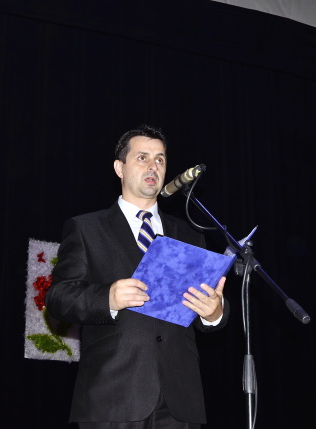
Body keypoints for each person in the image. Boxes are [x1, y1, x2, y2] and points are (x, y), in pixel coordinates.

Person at [45, 124, 229, 429]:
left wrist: (214, 313)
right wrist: (107, 298)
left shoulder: (190, 234)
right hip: (113, 396)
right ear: (120, 168)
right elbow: (59, 298)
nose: (153, 166)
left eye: (160, 159)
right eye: (142, 157)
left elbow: (207, 307)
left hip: (180, 400)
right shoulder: (86, 228)